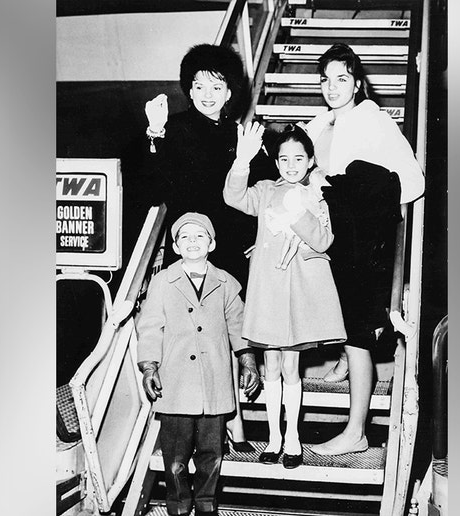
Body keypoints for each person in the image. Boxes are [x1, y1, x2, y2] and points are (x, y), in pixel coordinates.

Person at [139, 43, 278, 451]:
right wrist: (154, 134)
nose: (206, 93)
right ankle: (199, 427)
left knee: (228, 337)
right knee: (191, 339)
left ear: (230, 90)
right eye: (197, 85)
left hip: (233, 250)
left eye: (215, 85)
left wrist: (261, 241)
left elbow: (266, 193)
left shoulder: (245, 134)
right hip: (190, 248)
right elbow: (153, 186)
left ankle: (231, 423)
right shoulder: (176, 128)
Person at [304, 43, 426, 456]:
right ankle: (342, 358)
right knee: (334, 315)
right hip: (324, 237)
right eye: (325, 79)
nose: (332, 87)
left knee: (358, 331)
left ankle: (355, 431)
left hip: (358, 239)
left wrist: (353, 193)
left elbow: (413, 180)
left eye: (342, 78)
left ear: (357, 83)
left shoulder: (374, 121)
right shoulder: (318, 123)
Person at [224, 125, 347, 469]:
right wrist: (242, 161)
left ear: (310, 161)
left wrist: (297, 215)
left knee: (291, 365)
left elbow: (324, 241)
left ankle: (292, 436)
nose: (291, 165)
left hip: (298, 294)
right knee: (271, 366)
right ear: (276, 163)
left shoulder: (318, 195)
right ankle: (274, 437)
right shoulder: (264, 191)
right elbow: (233, 198)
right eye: (283, 159)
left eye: (298, 158)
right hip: (268, 290)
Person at [136, 212, 260, 516]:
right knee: (175, 458)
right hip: (175, 386)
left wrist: (248, 360)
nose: (193, 242)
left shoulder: (226, 283)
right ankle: (178, 504)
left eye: (200, 236)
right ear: (176, 247)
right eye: (185, 237)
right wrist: (150, 366)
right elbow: (150, 327)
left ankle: (207, 503)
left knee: (211, 454)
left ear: (212, 243)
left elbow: (238, 324)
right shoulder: (163, 282)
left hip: (214, 387)